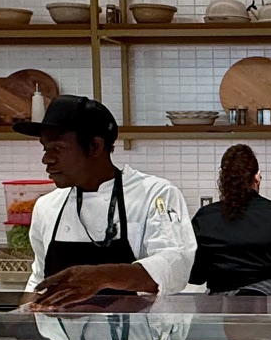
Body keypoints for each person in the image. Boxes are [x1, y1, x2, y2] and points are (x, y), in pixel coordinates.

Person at [15, 95, 195, 309]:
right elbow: (39, 279)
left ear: (95, 146)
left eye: (57, 148)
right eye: (45, 148)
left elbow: (175, 266)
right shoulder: (47, 206)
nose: (47, 159)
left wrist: (100, 276)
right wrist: (24, 315)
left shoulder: (155, 195)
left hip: (136, 339)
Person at [190, 144, 271, 295]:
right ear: (257, 176)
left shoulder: (205, 218)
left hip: (223, 307)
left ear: (223, 179)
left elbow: (196, 276)